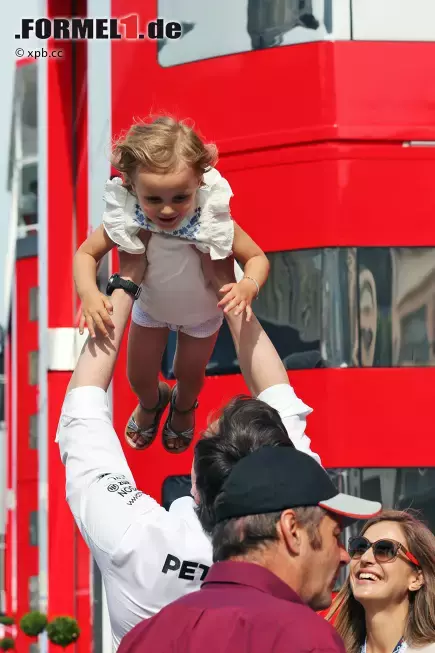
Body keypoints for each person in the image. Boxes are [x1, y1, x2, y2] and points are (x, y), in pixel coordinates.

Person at [58, 251, 319, 650]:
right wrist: (226, 288)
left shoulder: (138, 539)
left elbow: (83, 414)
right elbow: (280, 396)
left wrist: (126, 281)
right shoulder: (293, 530)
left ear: (197, 480)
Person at [73, 115, 270, 454]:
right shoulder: (128, 216)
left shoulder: (211, 217)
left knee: (189, 376)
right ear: (133, 188)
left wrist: (247, 286)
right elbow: (86, 254)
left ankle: (183, 405)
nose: (166, 209)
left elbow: (257, 258)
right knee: (138, 376)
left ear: (199, 182)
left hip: (202, 315)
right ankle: (152, 402)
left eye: (180, 197)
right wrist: (89, 294)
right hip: (151, 308)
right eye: (154, 199)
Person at [117, 446, 382, 653]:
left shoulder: (143, 638)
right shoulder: (306, 639)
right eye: (335, 535)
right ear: (291, 530)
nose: (345, 555)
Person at [327, 510, 435, 653]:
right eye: (360, 547)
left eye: (385, 549)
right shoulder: (330, 648)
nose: (365, 558)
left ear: (416, 578)